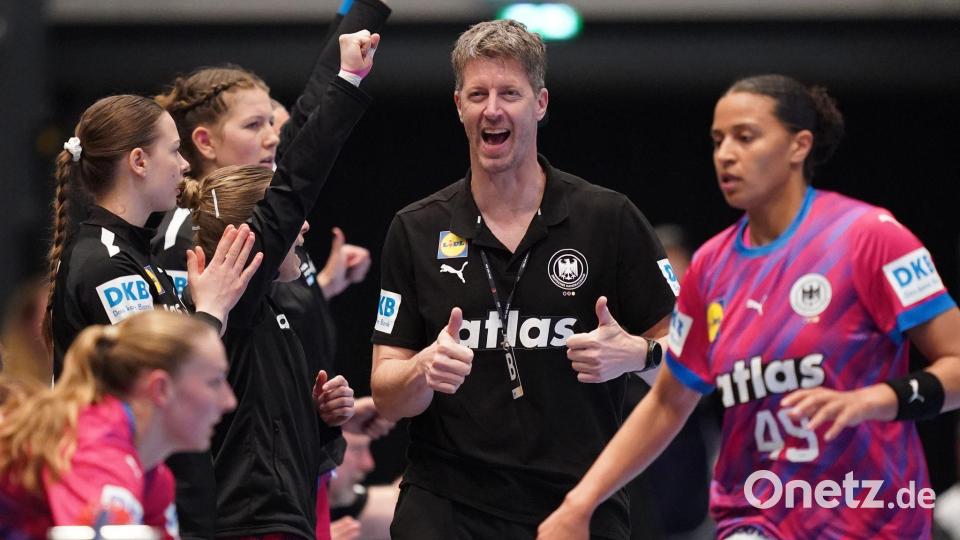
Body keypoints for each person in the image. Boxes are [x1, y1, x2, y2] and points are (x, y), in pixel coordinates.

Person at [538, 74, 960, 540]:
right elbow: (667, 402)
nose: (726, 154)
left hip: (873, 518)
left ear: (799, 146)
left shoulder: (869, 237)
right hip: (756, 520)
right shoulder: (710, 268)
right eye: (718, 140)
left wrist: (872, 401)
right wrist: (579, 503)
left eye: (745, 137)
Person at [370, 19, 677, 539]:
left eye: (510, 93)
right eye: (478, 94)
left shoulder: (608, 218)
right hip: (447, 506)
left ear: (540, 103)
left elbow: (691, 360)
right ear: (458, 106)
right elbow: (386, 393)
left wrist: (637, 355)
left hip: (576, 503)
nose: (493, 109)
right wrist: (423, 369)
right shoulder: (417, 228)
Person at [177, 29, 379, 539]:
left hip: (288, 501)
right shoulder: (224, 284)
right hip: (246, 516)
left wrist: (321, 418)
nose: (273, 138)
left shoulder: (274, 299)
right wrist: (348, 77)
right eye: (256, 124)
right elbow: (298, 178)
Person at [0, 310, 236, 539]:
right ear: (160, 389)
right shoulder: (97, 451)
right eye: (214, 382)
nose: (229, 401)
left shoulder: (154, 477)